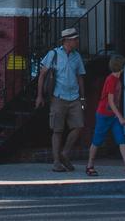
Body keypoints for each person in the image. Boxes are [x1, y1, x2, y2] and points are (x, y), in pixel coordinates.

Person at [32, 27, 87, 173]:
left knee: (78, 126)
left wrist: (82, 97)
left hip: (74, 97)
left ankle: (65, 153)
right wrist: (40, 96)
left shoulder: (77, 56)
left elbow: (80, 77)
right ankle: (56, 161)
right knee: (57, 130)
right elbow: (42, 75)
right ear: (67, 41)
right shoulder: (54, 54)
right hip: (58, 96)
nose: (77, 41)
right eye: (75, 39)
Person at [84, 54, 125, 177]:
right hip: (104, 114)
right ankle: (89, 165)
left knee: (121, 139)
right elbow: (110, 100)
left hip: (113, 115)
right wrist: (120, 117)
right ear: (121, 67)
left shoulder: (117, 80)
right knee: (97, 140)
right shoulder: (111, 80)